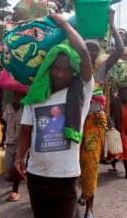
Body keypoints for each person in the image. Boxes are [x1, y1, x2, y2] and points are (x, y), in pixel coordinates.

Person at [13, 14, 93, 218]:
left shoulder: (80, 92)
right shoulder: (36, 96)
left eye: (66, 70)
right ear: (48, 69)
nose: (59, 74)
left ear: (73, 72)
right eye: (55, 68)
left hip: (65, 176)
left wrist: (65, 24)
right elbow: (25, 131)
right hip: (36, 175)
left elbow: (83, 52)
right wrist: (19, 156)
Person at [79, 10, 124, 218]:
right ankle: (80, 193)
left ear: (98, 53)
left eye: (93, 49)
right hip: (74, 121)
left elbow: (120, 48)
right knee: (74, 162)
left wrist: (112, 24)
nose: (90, 51)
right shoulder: (72, 67)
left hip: (95, 120)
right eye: (85, 48)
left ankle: (90, 207)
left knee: (91, 161)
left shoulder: (102, 69)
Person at [0, 91, 23, 202]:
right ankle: (17, 177)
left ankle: (15, 190)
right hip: (9, 143)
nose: (17, 98)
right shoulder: (8, 108)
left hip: (21, 145)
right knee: (8, 167)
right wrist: (1, 141)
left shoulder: (25, 109)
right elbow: (4, 126)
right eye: (15, 95)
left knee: (16, 167)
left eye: (19, 96)